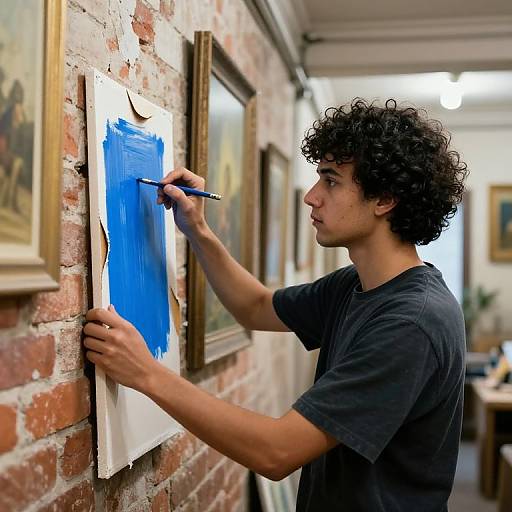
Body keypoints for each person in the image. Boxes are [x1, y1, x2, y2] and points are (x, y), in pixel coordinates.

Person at [84, 99, 468, 511]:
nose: (312, 196)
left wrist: (147, 374)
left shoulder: (412, 323)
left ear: (384, 199)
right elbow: (254, 306)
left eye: (332, 181)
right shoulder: (357, 286)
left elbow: (276, 452)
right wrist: (196, 228)